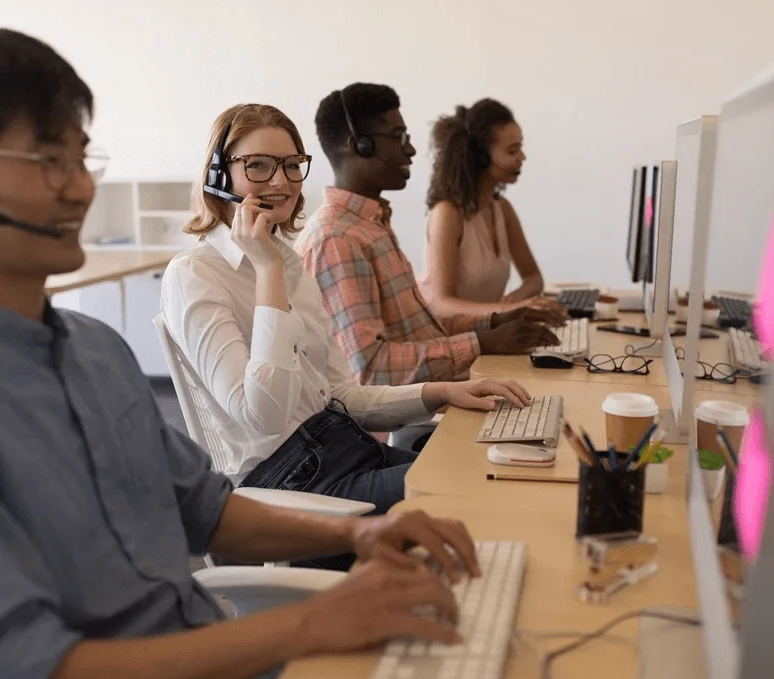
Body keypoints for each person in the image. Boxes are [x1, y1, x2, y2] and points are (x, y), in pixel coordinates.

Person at [0, 29, 484, 679]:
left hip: (216, 649)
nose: (80, 188)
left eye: (81, 158)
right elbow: (25, 667)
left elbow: (207, 510)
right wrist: (310, 624)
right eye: (48, 159)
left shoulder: (94, 351)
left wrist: (359, 537)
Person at [161, 103, 533, 519]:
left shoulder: (288, 263)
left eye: (291, 165)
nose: (281, 181)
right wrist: (266, 270)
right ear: (219, 176)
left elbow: (340, 394)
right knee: (471, 491)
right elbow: (264, 415)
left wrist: (443, 392)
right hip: (286, 482)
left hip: (339, 448)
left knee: (492, 469)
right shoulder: (195, 274)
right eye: (258, 166)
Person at [300, 83, 564, 388]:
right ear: (359, 145)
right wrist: (482, 342)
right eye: (398, 137)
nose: (410, 149)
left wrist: (494, 322)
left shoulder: (372, 225)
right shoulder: (337, 240)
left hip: (437, 395)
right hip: (405, 425)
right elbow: (371, 370)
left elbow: (421, 333)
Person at [419, 99, 555, 318]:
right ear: (481, 158)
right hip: (442, 336)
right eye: (512, 151)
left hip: (483, 333)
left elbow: (533, 278)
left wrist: (514, 302)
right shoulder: (447, 215)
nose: (522, 158)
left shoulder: (502, 209)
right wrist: (508, 310)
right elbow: (442, 303)